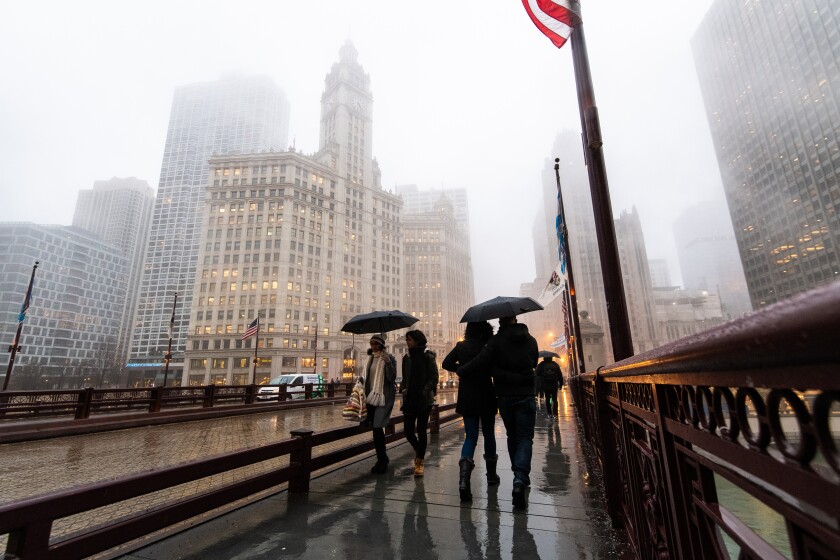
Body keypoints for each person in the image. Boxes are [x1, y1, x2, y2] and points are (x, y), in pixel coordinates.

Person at [458, 315, 538, 510]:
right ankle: (519, 480)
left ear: (501, 322)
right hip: (526, 394)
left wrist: (463, 369)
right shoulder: (531, 340)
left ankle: (517, 475)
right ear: (516, 319)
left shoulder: (495, 342)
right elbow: (534, 363)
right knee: (525, 438)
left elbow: (483, 362)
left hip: (505, 396)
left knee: (512, 436)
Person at [442, 321, 499, 502]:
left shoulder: (461, 346)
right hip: (486, 393)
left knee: (471, 436)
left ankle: (464, 481)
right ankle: (491, 476)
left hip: (467, 394)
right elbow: (494, 368)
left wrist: (459, 368)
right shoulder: (488, 346)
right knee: (489, 434)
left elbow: (446, 363)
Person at [400, 329, 439, 477]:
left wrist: (425, 390)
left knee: (421, 430)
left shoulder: (428, 356)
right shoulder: (407, 358)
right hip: (410, 398)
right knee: (408, 431)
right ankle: (419, 450)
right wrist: (402, 387)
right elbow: (405, 377)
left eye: (409, 340)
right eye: (407, 340)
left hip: (424, 399)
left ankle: (419, 462)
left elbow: (434, 377)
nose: (407, 342)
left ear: (417, 341)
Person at [364, 333, 397, 474]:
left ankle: (382, 461)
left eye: (376, 343)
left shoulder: (389, 358)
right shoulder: (369, 359)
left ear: (382, 344)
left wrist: (388, 362)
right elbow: (367, 379)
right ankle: (382, 457)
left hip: (383, 397)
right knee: (375, 428)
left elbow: (392, 377)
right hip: (370, 397)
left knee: (377, 427)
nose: (374, 346)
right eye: (372, 343)